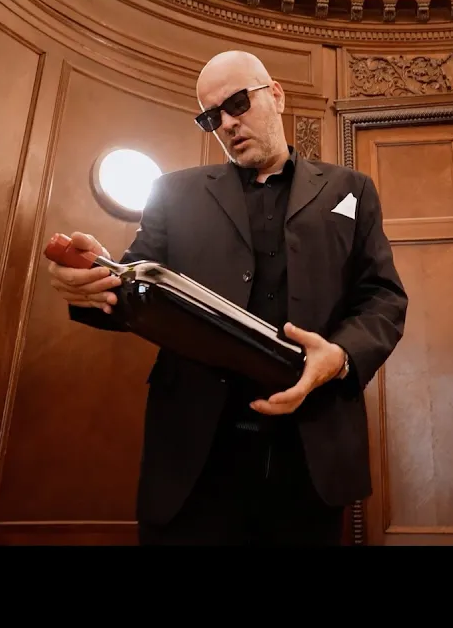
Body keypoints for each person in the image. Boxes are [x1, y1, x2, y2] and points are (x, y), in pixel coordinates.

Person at [46, 50, 408, 545]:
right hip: (194, 454)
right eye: (211, 117)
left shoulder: (351, 189)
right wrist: (93, 279)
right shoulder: (173, 193)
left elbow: (383, 297)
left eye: (238, 104)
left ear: (275, 95)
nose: (228, 123)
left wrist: (341, 356)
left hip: (311, 452)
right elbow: (134, 292)